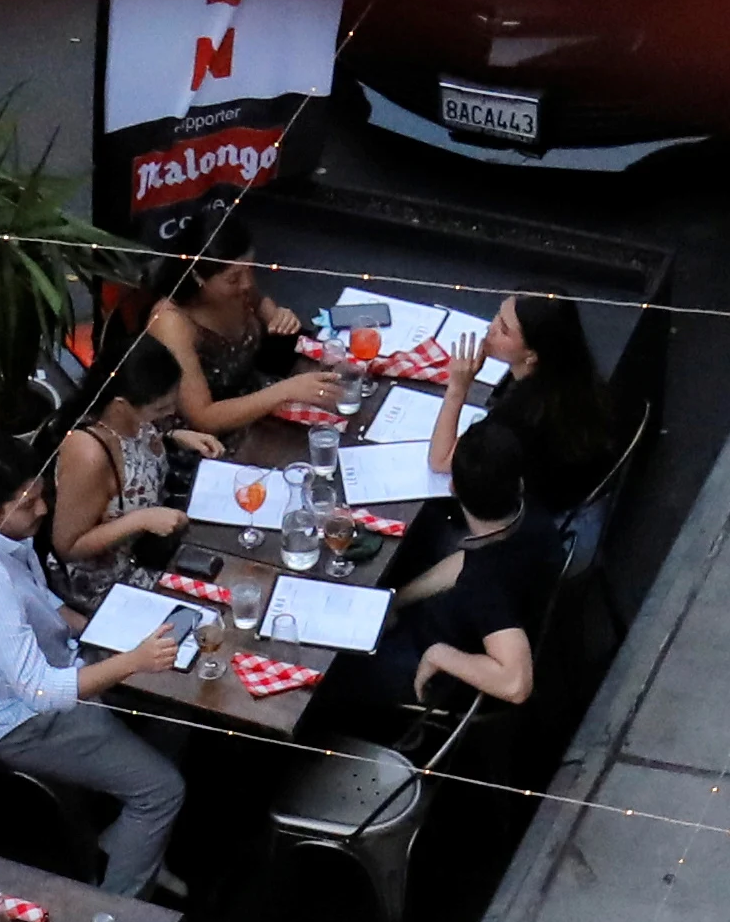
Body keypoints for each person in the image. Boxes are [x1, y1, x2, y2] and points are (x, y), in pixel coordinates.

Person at [0, 433, 195, 901]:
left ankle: (132, 843)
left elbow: (37, 598)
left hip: (61, 660)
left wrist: (93, 627)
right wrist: (133, 660)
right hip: (25, 722)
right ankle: (118, 919)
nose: (44, 510)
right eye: (30, 504)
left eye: (43, 494)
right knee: (163, 791)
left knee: (176, 716)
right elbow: (42, 691)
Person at [421, 293, 627, 577]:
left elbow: (441, 460)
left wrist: (457, 387)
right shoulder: (574, 379)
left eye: (504, 329)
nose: (491, 327)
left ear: (531, 355)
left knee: (431, 534)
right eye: (497, 315)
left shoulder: (519, 416)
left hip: (559, 540)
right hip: (587, 508)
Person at [380, 426, 557, 711]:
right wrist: (397, 599)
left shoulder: (485, 586)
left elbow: (516, 684)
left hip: (443, 674)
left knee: (339, 668)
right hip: (497, 610)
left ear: (453, 488)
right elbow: (466, 561)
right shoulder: (527, 512)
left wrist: (439, 655)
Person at [45, 339, 221, 602]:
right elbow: (68, 546)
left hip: (156, 543)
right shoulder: (89, 454)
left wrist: (173, 435)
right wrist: (140, 520)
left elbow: (138, 446)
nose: (171, 412)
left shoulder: (134, 421)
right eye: (161, 408)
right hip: (112, 579)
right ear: (120, 405)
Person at [144, 254, 344, 435]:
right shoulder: (170, 323)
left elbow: (260, 303)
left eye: (250, 269)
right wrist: (284, 391)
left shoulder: (240, 286)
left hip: (256, 393)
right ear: (198, 277)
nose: (247, 283)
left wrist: (277, 316)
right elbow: (203, 418)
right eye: (233, 278)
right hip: (208, 435)